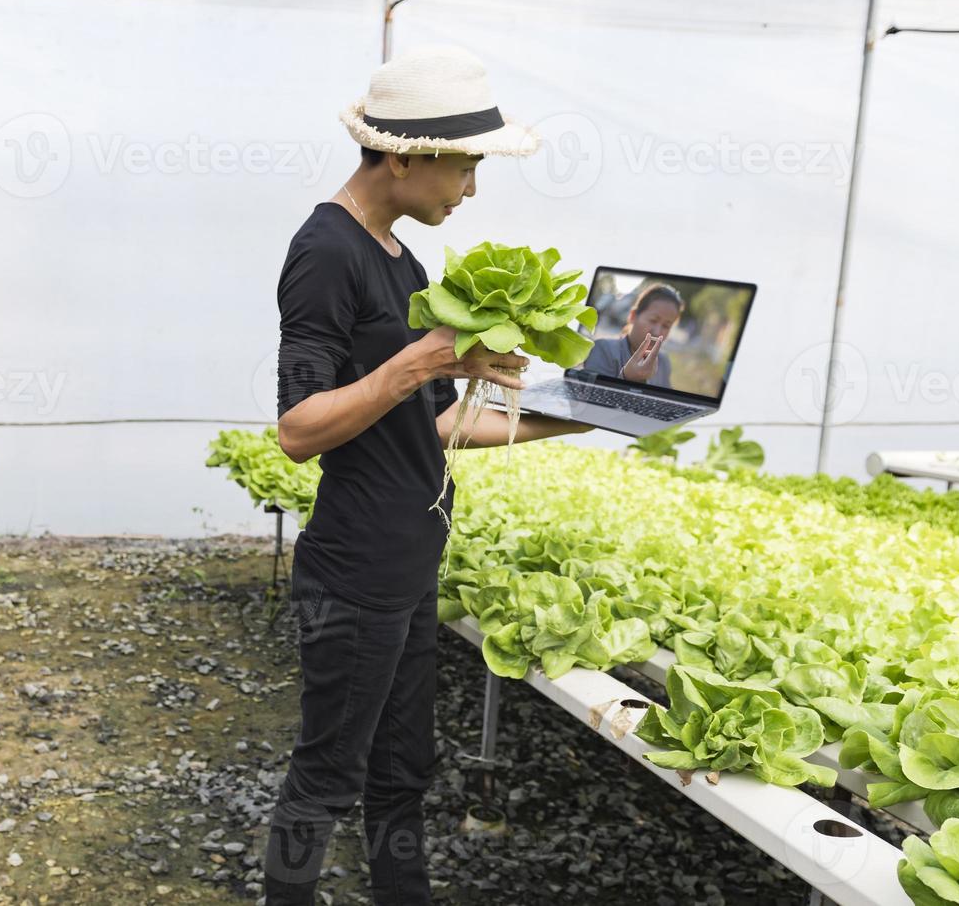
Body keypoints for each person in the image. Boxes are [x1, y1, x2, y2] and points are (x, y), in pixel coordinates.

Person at [264, 46, 591, 906]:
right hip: (357, 567)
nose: (471, 189)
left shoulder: (401, 260)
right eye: (465, 166)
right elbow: (299, 430)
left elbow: (433, 425)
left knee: (402, 768)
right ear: (402, 154)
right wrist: (420, 362)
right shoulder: (327, 250)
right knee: (327, 776)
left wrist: (579, 416)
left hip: (409, 564)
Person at [579, 282, 684, 388]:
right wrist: (627, 378)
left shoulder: (663, 362)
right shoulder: (603, 349)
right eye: (653, 320)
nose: (657, 332)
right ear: (633, 316)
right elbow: (590, 398)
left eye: (666, 326)